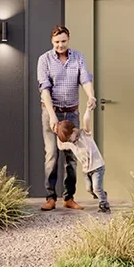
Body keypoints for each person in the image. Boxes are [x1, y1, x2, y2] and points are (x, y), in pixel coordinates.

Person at [35, 25, 96, 211]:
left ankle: (69, 197)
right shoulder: (44, 60)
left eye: (63, 41)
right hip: (51, 112)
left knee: (71, 156)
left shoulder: (78, 57)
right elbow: (44, 89)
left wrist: (91, 95)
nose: (60, 45)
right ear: (52, 42)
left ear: (68, 39)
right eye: (56, 42)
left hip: (72, 113)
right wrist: (53, 116)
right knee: (52, 154)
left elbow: (85, 79)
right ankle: (50, 197)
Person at [55, 118, 109, 213]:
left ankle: (104, 205)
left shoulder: (85, 135)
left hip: (97, 167)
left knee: (96, 188)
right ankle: (102, 194)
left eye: (69, 138)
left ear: (74, 130)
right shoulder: (72, 144)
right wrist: (57, 133)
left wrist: (89, 109)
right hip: (86, 171)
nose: (69, 141)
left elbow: (86, 121)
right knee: (89, 189)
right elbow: (60, 146)